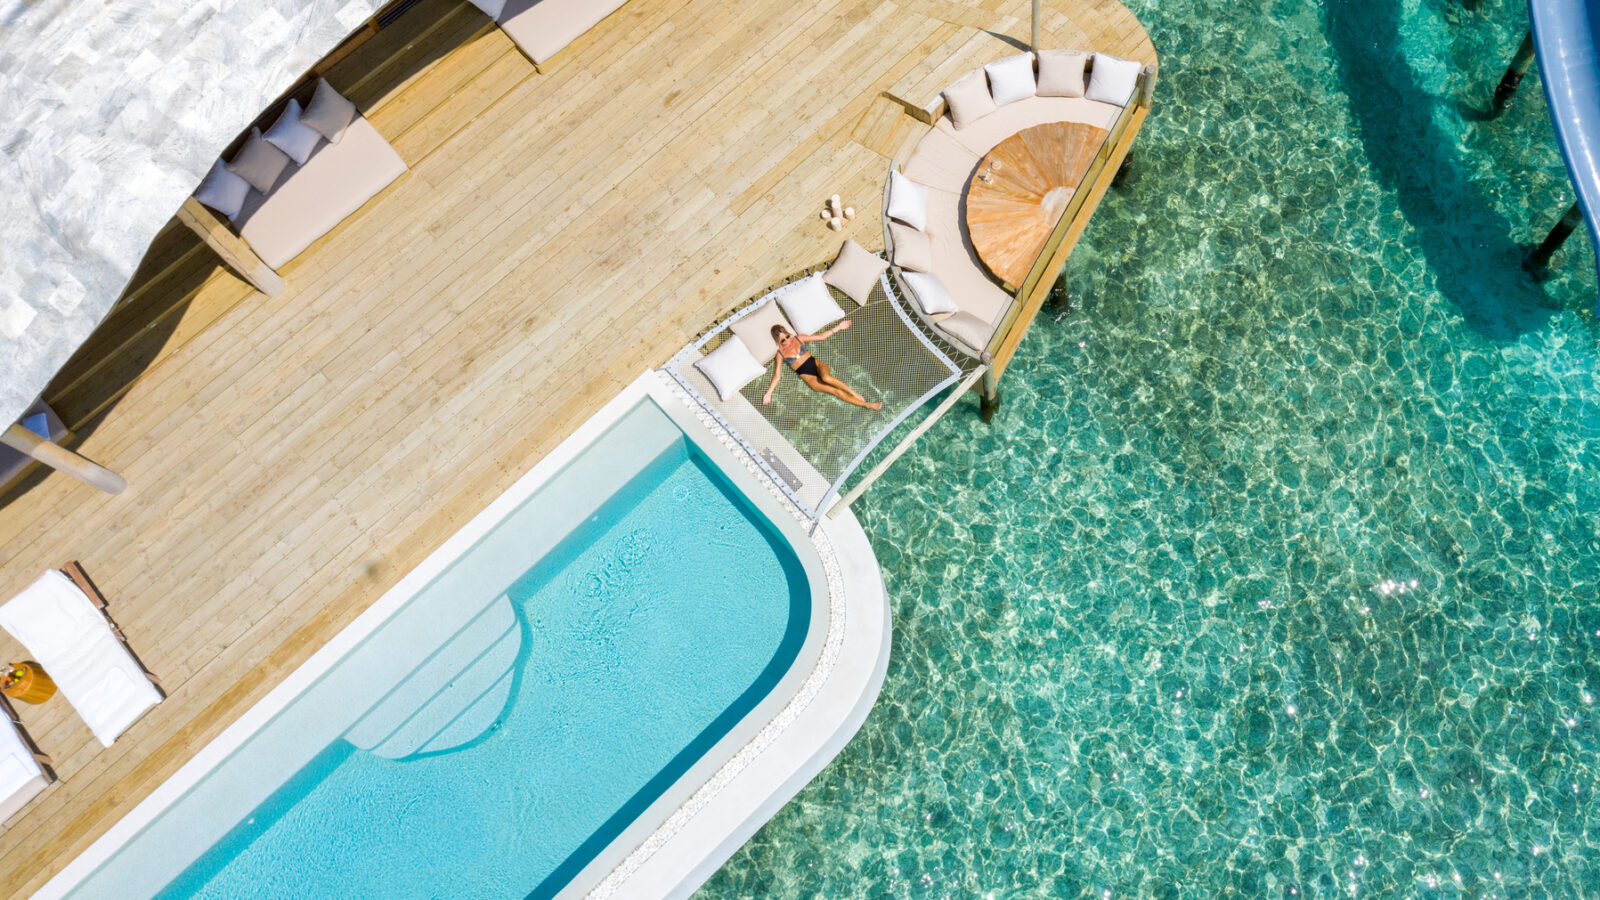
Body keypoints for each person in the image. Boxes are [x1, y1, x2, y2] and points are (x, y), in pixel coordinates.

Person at [762, 322, 882, 410]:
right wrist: (769, 393)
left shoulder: (799, 339)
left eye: (787, 336)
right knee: (837, 392)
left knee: (827, 378)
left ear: (788, 333)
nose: (787, 341)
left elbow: (821, 337)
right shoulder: (780, 354)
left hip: (817, 365)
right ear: (778, 341)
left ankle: (853, 392)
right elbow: (777, 376)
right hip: (809, 378)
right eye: (783, 340)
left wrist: (838, 328)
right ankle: (868, 405)